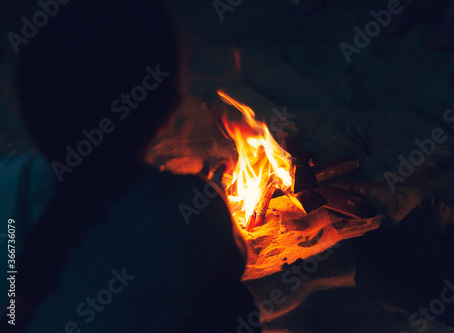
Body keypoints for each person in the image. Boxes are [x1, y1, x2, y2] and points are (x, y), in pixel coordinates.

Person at [0, 0, 260, 332]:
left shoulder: (7, 180)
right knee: (234, 303)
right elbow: (231, 267)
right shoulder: (188, 210)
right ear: (169, 108)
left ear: (25, 105)